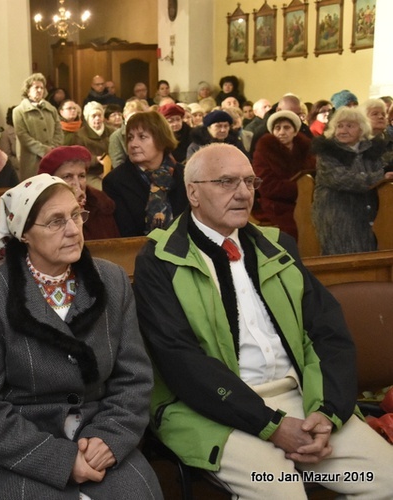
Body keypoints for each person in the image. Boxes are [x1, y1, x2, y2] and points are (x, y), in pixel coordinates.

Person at [134, 142, 393, 499]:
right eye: (226, 182)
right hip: (214, 409)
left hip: (302, 395)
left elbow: (328, 331)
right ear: (193, 192)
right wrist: (271, 425)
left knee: (387, 479)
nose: (243, 193)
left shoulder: (278, 246)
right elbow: (181, 361)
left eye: (249, 182)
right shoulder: (160, 260)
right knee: (283, 492)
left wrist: (328, 411)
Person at [0, 174, 163, 500]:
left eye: (76, 215)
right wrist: (61, 460)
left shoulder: (111, 280)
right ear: (23, 233)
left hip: (100, 440)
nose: (73, 229)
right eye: (55, 221)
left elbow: (134, 378)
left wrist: (109, 439)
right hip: (22, 452)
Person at [312, 107, 392, 255]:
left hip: (371, 215)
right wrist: (380, 176)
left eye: (349, 126)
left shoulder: (373, 150)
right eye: (339, 126)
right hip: (338, 217)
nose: (343, 130)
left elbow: (384, 169)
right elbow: (342, 179)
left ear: (361, 129)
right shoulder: (327, 153)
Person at [103, 112, 187, 237]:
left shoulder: (184, 175)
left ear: (162, 140)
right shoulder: (115, 181)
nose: (133, 144)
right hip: (137, 251)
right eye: (130, 138)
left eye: (142, 137)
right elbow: (125, 234)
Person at [252, 110, 315, 239]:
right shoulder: (264, 151)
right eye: (277, 128)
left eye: (287, 127)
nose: (281, 132)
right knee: (294, 227)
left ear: (295, 131)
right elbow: (266, 185)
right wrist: (301, 189)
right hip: (276, 204)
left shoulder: (306, 150)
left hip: (308, 201)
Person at [38, 145, 120, 239]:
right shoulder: (43, 213)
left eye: (81, 176)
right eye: (67, 176)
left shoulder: (101, 205)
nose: (77, 184)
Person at [13, 73, 63, 180]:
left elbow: (59, 130)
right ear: (28, 90)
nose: (40, 90)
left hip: (52, 157)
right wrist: (43, 150)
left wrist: (53, 148)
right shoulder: (19, 111)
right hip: (31, 160)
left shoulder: (51, 109)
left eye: (42, 87)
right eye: (36, 87)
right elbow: (22, 136)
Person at [67, 101, 112, 187]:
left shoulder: (112, 132)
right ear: (87, 118)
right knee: (105, 189)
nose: (97, 118)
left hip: (112, 171)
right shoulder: (80, 135)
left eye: (99, 115)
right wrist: (95, 160)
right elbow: (78, 158)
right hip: (90, 173)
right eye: (94, 116)